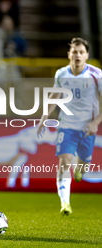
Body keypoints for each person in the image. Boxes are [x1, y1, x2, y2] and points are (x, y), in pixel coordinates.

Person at [37, 38, 102, 215]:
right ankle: (65, 203)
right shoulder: (61, 74)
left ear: (87, 55)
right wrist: (44, 117)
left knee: (82, 168)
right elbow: (55, 96)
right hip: (66, 126)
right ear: (69, 55)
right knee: (64, 162)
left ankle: (80, 170)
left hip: (87, 128)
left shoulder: (96, 75)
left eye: (81, 52)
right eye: (75, 52)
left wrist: (95, 123)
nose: (78, 55)